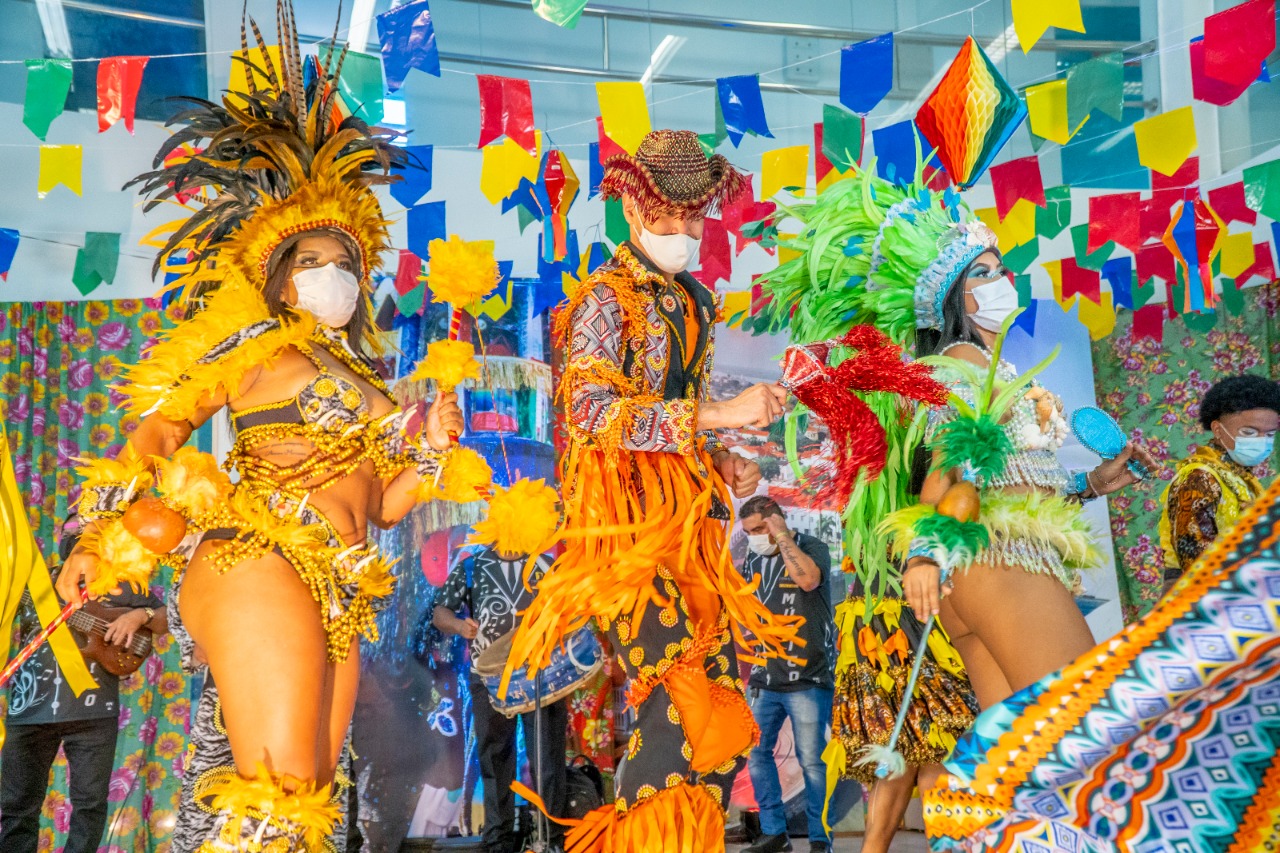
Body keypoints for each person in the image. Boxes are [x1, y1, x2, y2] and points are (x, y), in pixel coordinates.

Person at [54, 6, 466, 849]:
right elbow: (160, 430)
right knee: (277, 801)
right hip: (261, 556)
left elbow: (384, 507)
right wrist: (99, 535)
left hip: (341, 587)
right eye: (311, 263)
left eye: (346, 261)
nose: (334, 276)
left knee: (310, 802)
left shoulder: (365, 373)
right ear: (275, 278)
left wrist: (432, 449)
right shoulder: (249, 344)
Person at [753, 166, 1156, 716]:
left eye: (1002, 268)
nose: (1004, 279)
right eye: (985, 274)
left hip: (980, 572)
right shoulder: (961, 365)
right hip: (999, 565)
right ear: (956, 301)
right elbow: (946, 475)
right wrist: (923, 555)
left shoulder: (981, 367)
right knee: (1089, 727)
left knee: (1023, 762)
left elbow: (1002, 481)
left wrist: (1087, 485)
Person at [504, 129, 798, 853]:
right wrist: (723, 413)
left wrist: (721, 454)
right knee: (683, 708)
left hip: (690, 532)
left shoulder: (693, 298)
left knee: (724, 729)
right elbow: (593, 414)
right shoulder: (605, 298)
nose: (683, 231)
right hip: (625, 537)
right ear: (634, 208)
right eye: (668, 215)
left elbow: (674, 417)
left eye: (695, 216)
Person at [0, 518, 167, 853]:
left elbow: (166, 617)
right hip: (28, 707)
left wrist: (139, 616)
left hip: (95, 712)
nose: (78, 538)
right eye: (74, 532)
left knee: (89, 807)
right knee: (17, 805)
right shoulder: (35, 581)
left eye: (88, 532)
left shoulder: (122, 585)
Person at [433, 546, 567, 853]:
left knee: (547, 759)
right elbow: (441, 612)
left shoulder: (545, 566)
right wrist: (458, 625)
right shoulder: (471, 567)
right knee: (495, 760)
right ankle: (498, 841)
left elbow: (570, 610)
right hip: (489, 677)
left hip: (540, 677)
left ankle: (552, 840)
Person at [737, 496, 834, 853]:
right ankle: (774, 834)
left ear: (777, 520)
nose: (756, 538)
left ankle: (821, 839)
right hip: (764, 679)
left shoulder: (811, 547)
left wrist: (781, 536)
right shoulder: (753, 558)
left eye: (761, 528)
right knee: (757, 755)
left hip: (808, 679)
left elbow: (808, 580)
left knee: (812, 761)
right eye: (749, 532)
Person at [1160, 373, 1280, 590]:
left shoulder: (1241, 478)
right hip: (1203, 601)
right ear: (1217, 429)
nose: (1262, 441)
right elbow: (1197, 565)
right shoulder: (1199, 479)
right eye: (1249, 432)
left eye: (1270, 434)